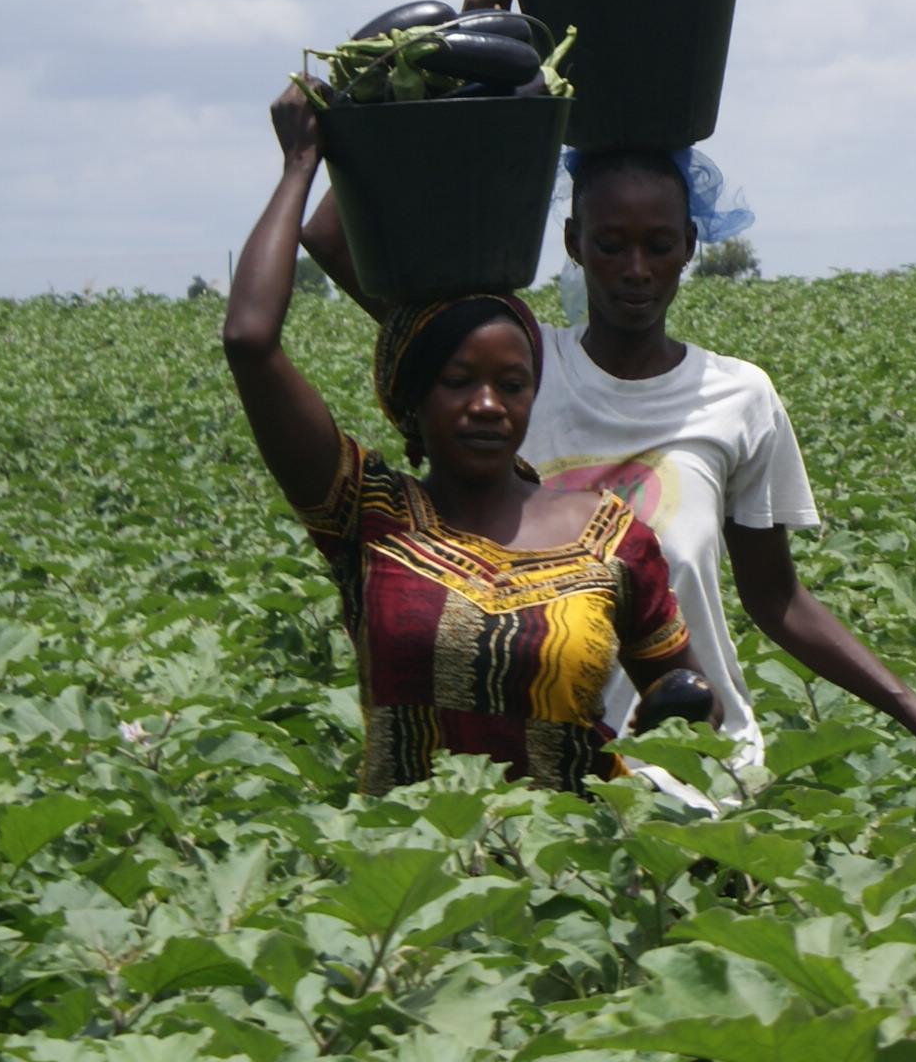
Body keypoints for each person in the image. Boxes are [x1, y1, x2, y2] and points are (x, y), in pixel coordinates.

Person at [303, 0, 916, 808]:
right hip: (538, 776)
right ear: (572, 242)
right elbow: (331, 236)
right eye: (609, 245)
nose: (634, 270)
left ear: (689, 247)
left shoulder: (740, 398)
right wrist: (473, 59)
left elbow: (778, 602)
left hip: (703, 776)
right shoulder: (509, 369)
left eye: (657, 244)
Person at [225, 86, 708, 797]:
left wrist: (676, 709)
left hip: (575, 882)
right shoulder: (369, 516)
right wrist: (301, 165)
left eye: (512, 384)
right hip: (409, 880)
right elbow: (249, 340)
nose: (488, 405)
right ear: (412, 400)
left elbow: (681, 691)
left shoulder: (610, 537)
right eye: (459, 382)